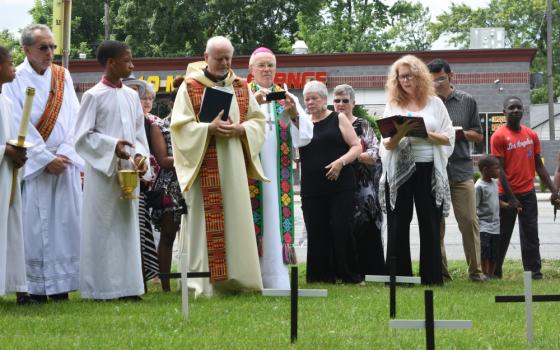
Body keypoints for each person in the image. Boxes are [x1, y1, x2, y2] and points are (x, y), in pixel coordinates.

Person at [170, 36, 267, 296]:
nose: (224, 63)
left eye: (228, 58)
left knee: (236, 221)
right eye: (219, 58)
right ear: (206, 57)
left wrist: (241, 129)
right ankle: (204, 285)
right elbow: (179, 128)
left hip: (234, 167)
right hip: (204, 167)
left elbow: (259, 122)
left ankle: (240, 280)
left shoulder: (242, 86)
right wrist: (207, 128)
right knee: (204, 224)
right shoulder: (189, 87)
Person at [2, 24, 82, 302]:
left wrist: (67, 154)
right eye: (43, 48)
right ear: (27, 50)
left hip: (64, 162)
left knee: (64, 227)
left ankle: (60, 286)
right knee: (32, 228)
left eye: (52, 47)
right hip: (32, 166)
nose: (50, 53)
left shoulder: (63, 76)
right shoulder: (14, 77)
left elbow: (75, 118)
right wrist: (45, 159)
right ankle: (31, 288)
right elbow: (14, 123)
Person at [74, 40, 149, 300]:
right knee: (103, 227)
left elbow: (139, 133)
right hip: (103, 173)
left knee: (127, 228)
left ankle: (129, 287)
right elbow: (82, 137)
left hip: (128, 172)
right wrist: (111, 145)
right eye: (127, 60)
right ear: (111, 63)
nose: (132, 64)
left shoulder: (131, 95)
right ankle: (101, 288)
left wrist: (141, 156)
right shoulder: (93, 96)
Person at [379, 55, 455, 285]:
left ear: (420, 75)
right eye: (401, 77)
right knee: (398, 223)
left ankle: (431, 277)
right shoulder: (393, 104)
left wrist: (424, 133)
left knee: (430, 223)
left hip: (428, 167)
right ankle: (398, 277)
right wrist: (401, 132)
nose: (405, 80)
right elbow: (387, 144)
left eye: (410, 75)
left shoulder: (435, 103)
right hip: (400, 168)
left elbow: (448, 137)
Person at [247, 47, 313, 289]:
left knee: (275, 218)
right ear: (251, 70)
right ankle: (252, 276)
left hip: (279, 171)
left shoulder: (285, 95)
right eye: (262, 65)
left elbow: (305, 134)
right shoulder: (243, 94)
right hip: (251, 170)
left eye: (270, 66)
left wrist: (295, 114)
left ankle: (278, 278)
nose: (266, 70)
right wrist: (251, 106)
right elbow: (233, 124)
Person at [427, 58, 486, 282]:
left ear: (451, 76)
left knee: (469, 221)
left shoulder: (467, 100)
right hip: (434, 170)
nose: (437, 84)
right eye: (432, 81)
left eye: (441, 79)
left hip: (461, 170)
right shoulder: (426, 103)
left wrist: (459, 133)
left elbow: (479, 136)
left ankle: (475, 271)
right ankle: (441, 272)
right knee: (436, 224)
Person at [299, 80, 362, 284]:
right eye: (307, 99)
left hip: (340, 185)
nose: (310, 102)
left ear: (324, 100)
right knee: (316, 231)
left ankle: (349, 274)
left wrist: (340, 162)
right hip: (311, 186)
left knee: (341, 228)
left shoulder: (338, 118)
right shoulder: (301, 123)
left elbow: (356, 147)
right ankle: (320, 276)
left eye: (314, 98)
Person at [491, 96, 558, 280]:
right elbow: (500, 170)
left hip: (528, 194)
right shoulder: (498, 136)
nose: (515, 110)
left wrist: (554, 190)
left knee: (531, 235)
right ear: (504, 112)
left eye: (518, 107)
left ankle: (534, 273)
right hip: (506, 195)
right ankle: (495, 272)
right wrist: (511, 198)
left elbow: (539, 165)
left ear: (523, 111)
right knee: (502, 235)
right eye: (511, 107)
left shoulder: (531, 135)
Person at [333, 84, 385, 277]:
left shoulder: (362, 124)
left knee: (367, 224)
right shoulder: (329, 123)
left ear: (353, 103)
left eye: (345, 101)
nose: (340, 104)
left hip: (363, 184)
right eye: (337, 101)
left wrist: (353, 155)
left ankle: (372, 271)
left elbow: (375, 153)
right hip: (337, 183)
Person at [0, 47, 34, 305]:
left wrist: (19, 152)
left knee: (11, 229)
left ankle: (16, 286)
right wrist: (6, 150)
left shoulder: (7, 102)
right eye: (10, 63)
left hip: (7, 176)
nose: (14, 67)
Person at [150, 77, 187, 292]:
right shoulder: (160, 126)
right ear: (172, 103)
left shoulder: (197, 125)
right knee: (168, 235)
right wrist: (189, 157)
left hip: (192, 182)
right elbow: (164, 160)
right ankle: (165, 285)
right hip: (170, 185)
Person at [123, 78, 160, 287]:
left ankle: (147, 275)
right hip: (128, 174)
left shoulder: (153, 121)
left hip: (146, 178)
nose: (146, 102)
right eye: (142, 98)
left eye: (149, 98)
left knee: (145, 230)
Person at [475, 155, 508, 279]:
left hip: (496, 225)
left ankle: (491, 274)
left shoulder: (494, 183)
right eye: (496, 168)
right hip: (484, 225)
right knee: (485, 251)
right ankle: (484, 273)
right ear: (485, 170)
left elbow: (497, 201)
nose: (499, 170)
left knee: (495, 251)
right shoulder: (479, 187)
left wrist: (509, 206)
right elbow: (475, 206)